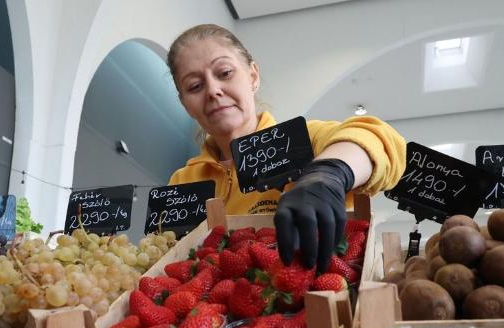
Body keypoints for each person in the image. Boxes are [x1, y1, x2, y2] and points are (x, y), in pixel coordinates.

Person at [167, 24, 406, 272]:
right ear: (185, 105)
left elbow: (381, 139)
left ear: (253, 76)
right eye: (195, 86)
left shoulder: (305, 140)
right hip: (214, 309)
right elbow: (168, 256)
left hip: (309, 300)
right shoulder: (182, 181)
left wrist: (327, 174)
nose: (213, 91)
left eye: (225, 73)